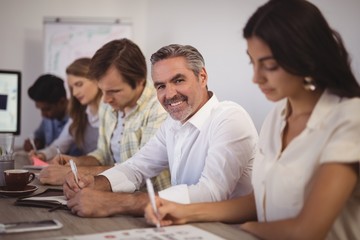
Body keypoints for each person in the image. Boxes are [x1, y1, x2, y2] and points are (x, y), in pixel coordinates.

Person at [144, 1, 360, 239]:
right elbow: (261, 201)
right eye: (253, 63)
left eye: (269, 65)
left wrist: (248, 229)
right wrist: (185, 213)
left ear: (306, 57)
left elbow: (307, 230)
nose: (256, 78)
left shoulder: (349, 119)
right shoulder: (277, 117)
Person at [63, 43, 258, 217]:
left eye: (179, 80)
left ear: (203, 77)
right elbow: (137, 167)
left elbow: (210, 193)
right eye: (161, 86)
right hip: (186, 227)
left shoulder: (229, 117)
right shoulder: (173, 123)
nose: (169, 94)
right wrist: (95, 183)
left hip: (232, 233)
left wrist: (117, 203)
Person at [49, 39, 170, 189]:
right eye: (102, 90)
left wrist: (78, 172)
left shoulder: (159, 109)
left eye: (114, 91)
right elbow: (103, 154)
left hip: (148, 203)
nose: (105, 100)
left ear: (139, 81)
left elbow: (142, 172)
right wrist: (75, 162)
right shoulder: (108, 102)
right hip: (113, 194)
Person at [33, 58, 102, 185]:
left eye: (79, 84)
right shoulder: (80, 113)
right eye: (71, 87)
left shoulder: (111, 112)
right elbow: (61, 144)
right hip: (89, 178)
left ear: (97, 80)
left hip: (100, 177)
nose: (74, 93)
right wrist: (42, 154)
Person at [24, 74, 69, 152]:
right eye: (40, 109)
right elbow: (38, 137)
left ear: (62, 102)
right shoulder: (48, 119)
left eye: (47, 109)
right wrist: (34, 142)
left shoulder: (77, 119)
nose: (43, 114)